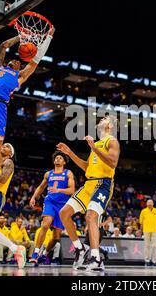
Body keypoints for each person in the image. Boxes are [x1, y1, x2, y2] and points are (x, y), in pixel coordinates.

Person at [0, 27, 55, 195]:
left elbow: (36, 60)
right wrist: (20, 37)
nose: (16, 61)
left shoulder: (20, 77)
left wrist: (48, 38)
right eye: (14, 60)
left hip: (0, 108)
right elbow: (2, 46)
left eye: (19, 62)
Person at [58, 115, 120, 271]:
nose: (101, 119)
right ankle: (80, 249)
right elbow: (87, 167)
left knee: (91, 216)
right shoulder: (97, 144)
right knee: (64, 213)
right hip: (89, 184)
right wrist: (70, 153)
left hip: (103, 184)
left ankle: (96, 258)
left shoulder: (112, 141)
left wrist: (94, 148)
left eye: (105, 118)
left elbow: (112, 162)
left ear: (110, 125)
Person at [29, 151, 75, 265]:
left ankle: (44, 254)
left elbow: (71, 190)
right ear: (54, 161)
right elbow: (40, 187)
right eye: (56, 158)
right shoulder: (48, 174)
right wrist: (34, 197)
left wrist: (59, 190)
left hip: (62, 205)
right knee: (45, 224)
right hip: (50, 202)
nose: (58, 159)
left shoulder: (68, 173)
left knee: (56, 238)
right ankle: (35, 253)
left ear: (64, 162)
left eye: (60, 158)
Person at [139, 199, 156, 266]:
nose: (149, 204)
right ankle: (147, 260)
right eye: (148, 203)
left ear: (153, 204)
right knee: (147, 246)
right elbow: (141, 221)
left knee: (154, 246)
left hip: (154, 230)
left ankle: (154, 261)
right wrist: (143, 227)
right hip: (146, 230)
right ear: (146, 204)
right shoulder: (143, 211)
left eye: (151, 203)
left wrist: (154, 225)